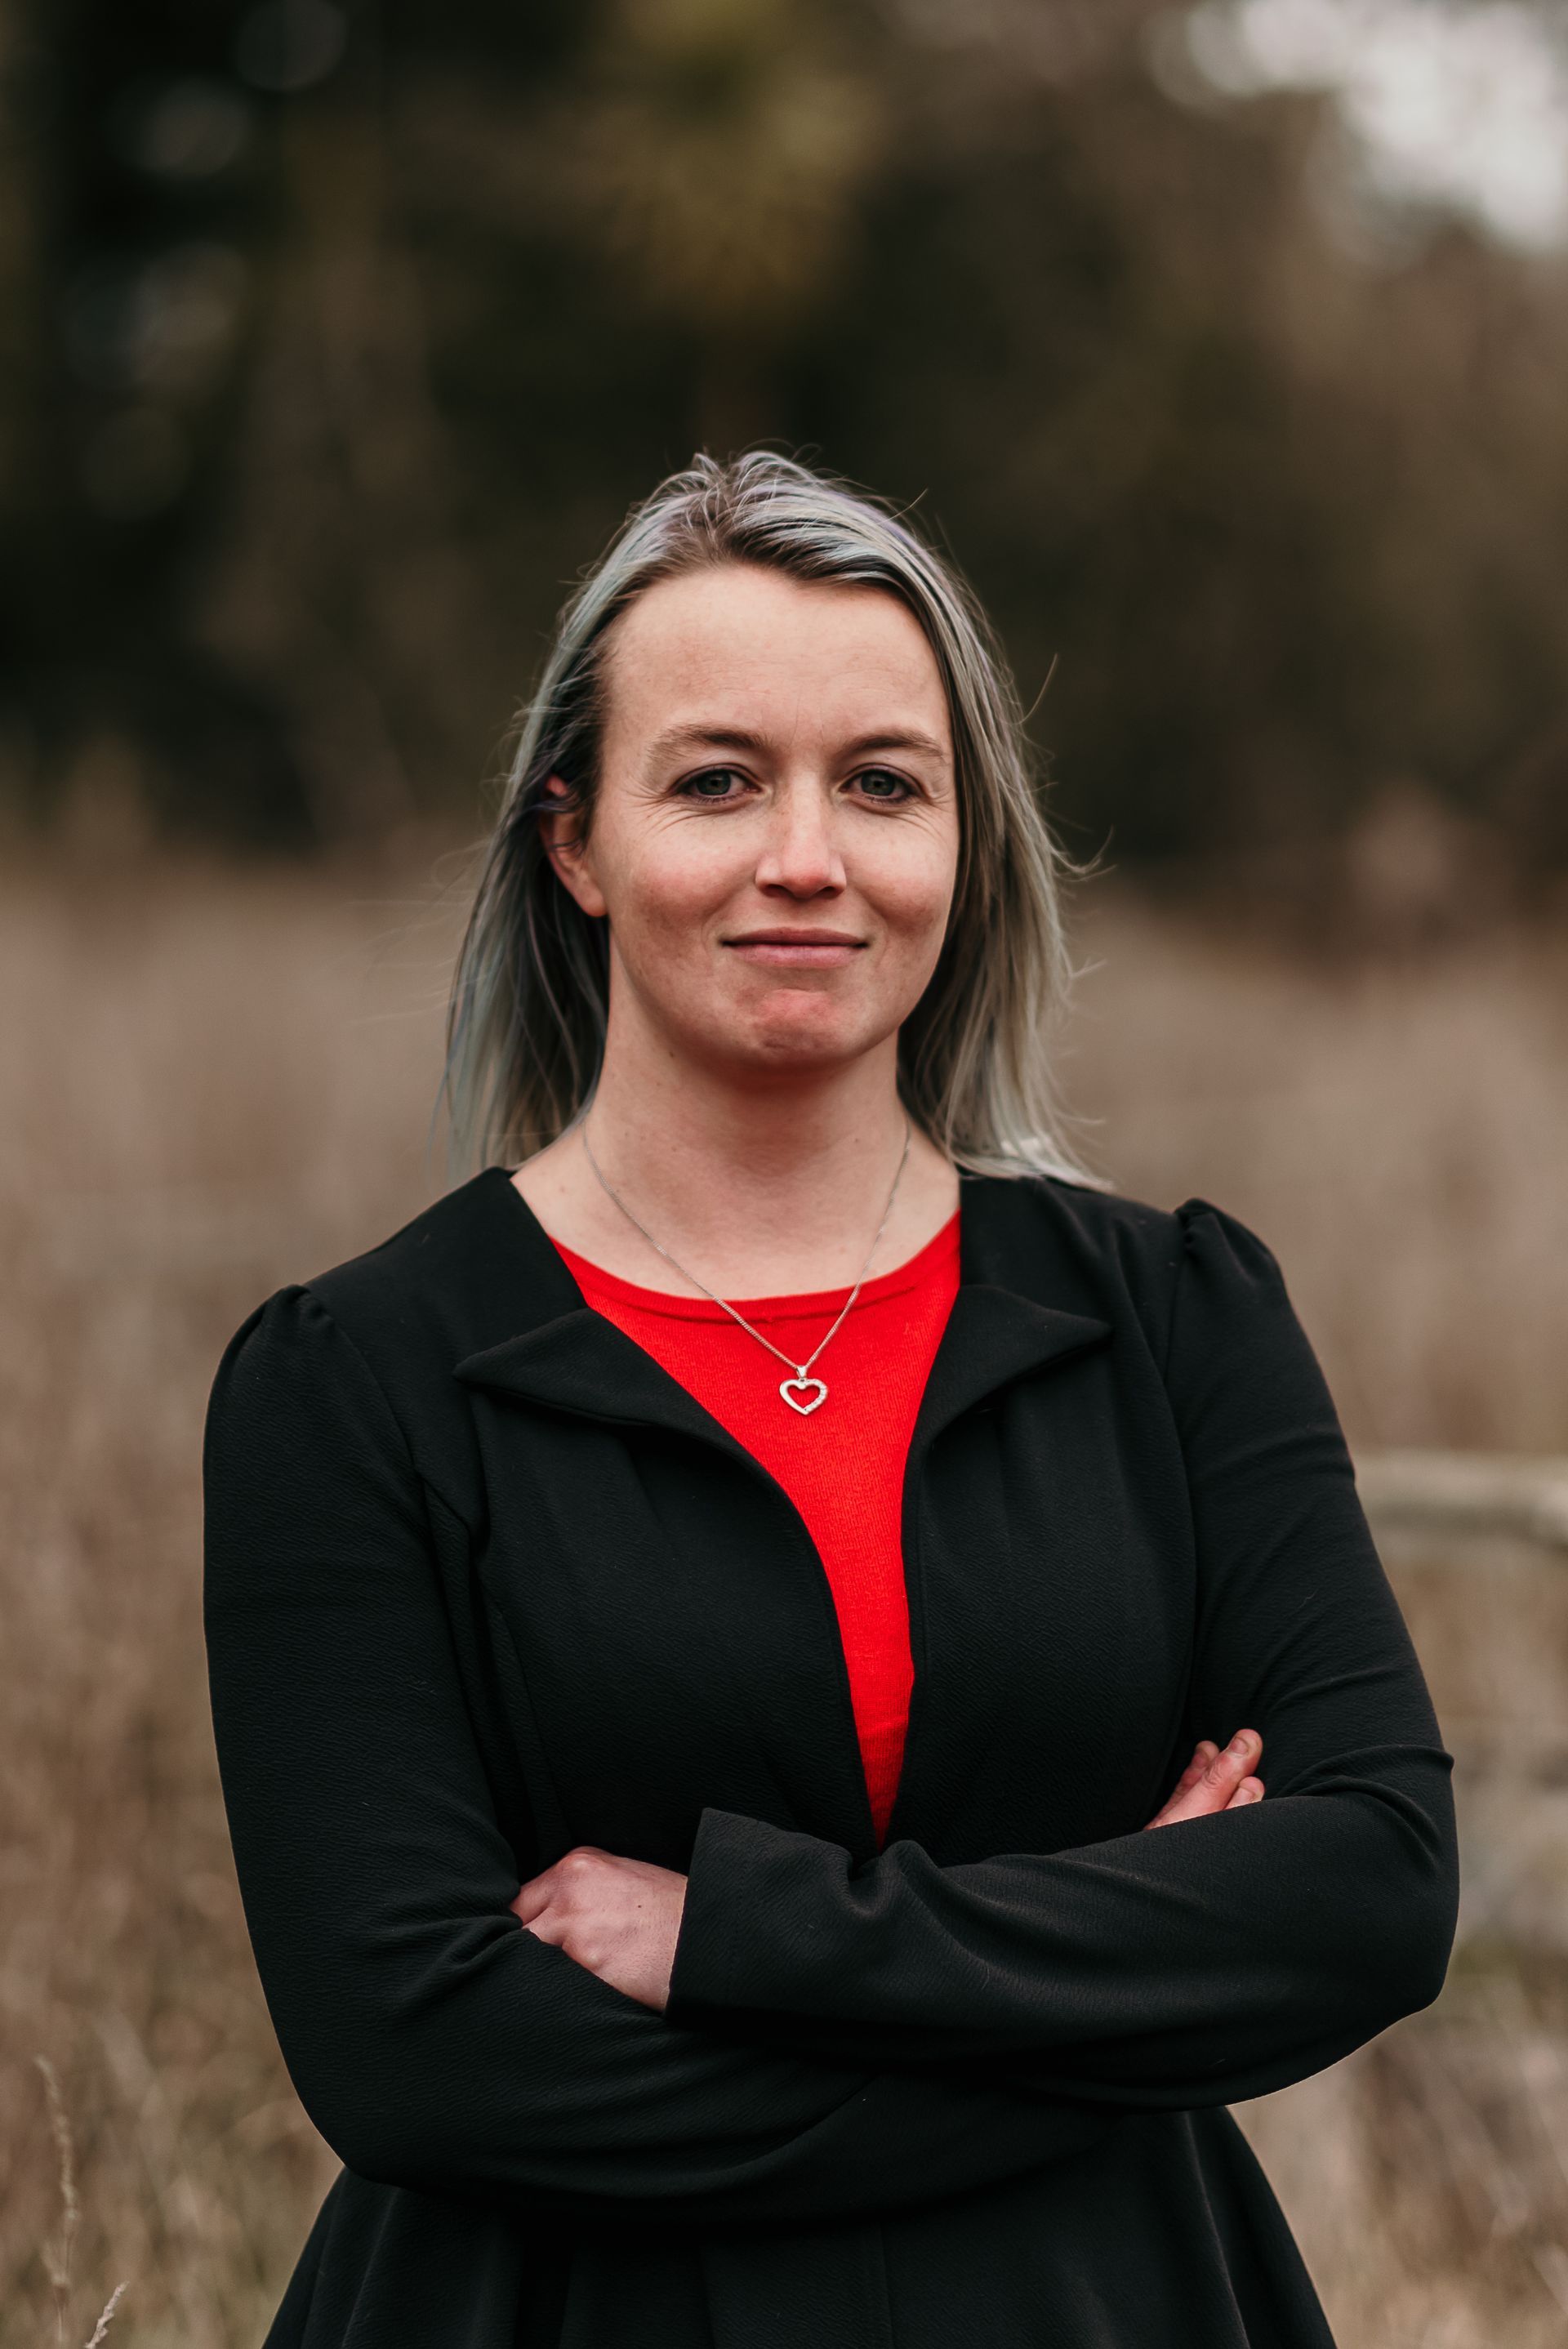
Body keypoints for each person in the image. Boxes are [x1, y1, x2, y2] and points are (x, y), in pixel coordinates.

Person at [203, 451, 1459, 2349]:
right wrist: (1121, 1966)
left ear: (967, 842)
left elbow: (1371, 1885)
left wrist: (738, 1934)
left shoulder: (1176, 1316)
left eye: (883, 782)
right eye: (718, 779)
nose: (810, 853)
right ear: (576, 841)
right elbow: (419, 2058)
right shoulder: (356, 1383)